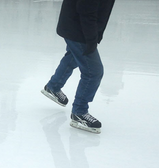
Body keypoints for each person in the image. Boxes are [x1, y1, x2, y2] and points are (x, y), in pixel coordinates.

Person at [41, 0, 115, 133]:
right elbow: (86, 10)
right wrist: (91, 40)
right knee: (93, 72)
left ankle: (53, 86)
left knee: (73, 57)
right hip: (79, 29)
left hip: (74, 25)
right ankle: (79, 113)